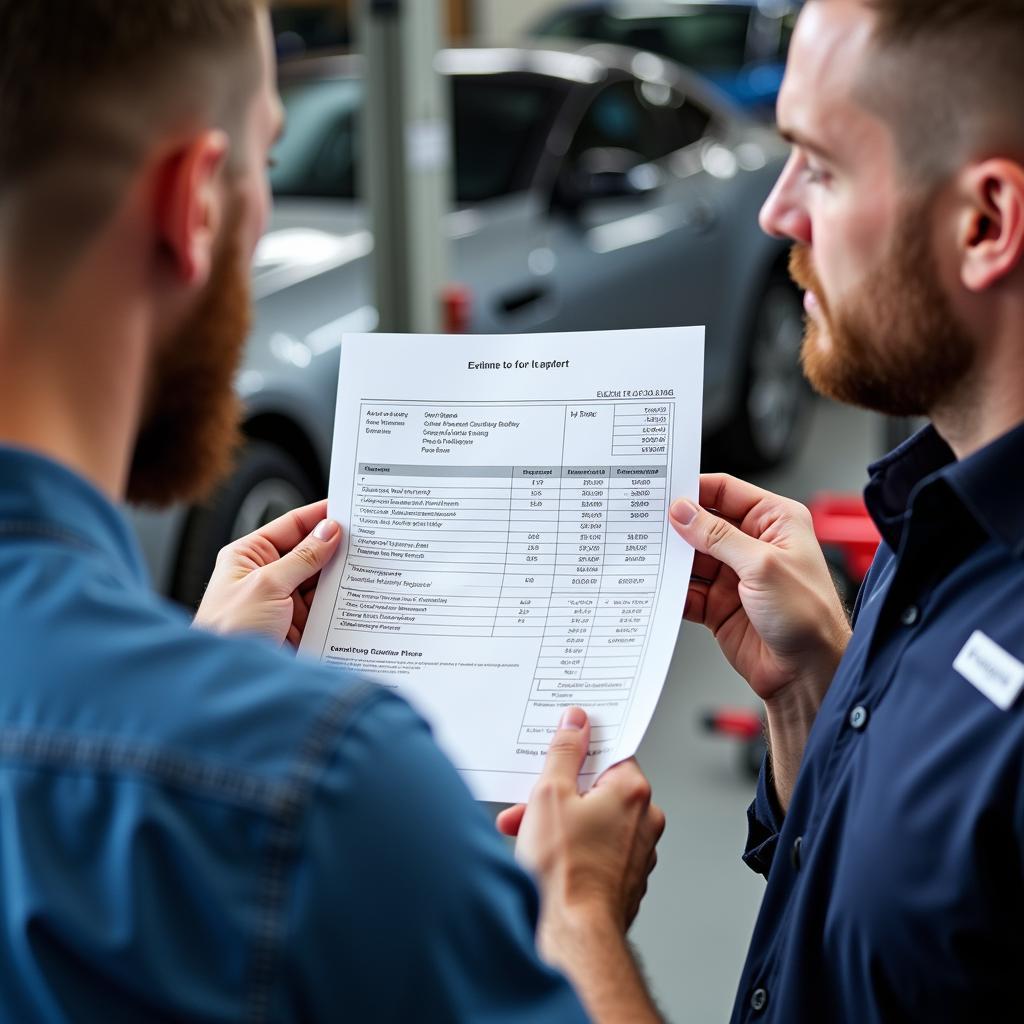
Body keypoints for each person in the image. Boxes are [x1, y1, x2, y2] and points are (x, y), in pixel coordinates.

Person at [0, 2, 665, 1020]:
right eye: (263, 158)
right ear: (195, 205)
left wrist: (187, 671)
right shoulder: (319, 784)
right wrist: (573, 913)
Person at [667, 0, 1024, 1020]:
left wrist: (582, 946)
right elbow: (897, 928)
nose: (777, 213)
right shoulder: (937, 512)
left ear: (983, 223)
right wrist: (807, 696)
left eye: (817, 164)